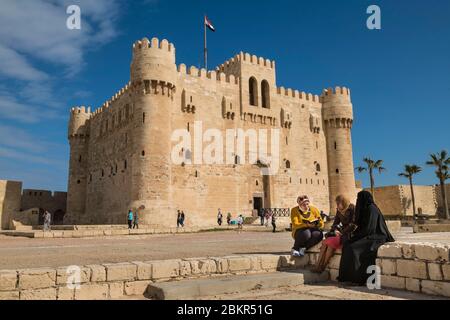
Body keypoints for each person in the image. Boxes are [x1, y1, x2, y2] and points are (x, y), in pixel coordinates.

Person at [338, 190, 395, 285]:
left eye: (359, 198)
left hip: (376, 236)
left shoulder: (372, 209)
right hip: (367, 235)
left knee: (354, 248)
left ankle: (358, 279)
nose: (357, 200)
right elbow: (362, 227)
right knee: (347, 245)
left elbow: (370, 229)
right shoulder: (365, 209)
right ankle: (347, 277)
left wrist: (356, 236)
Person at [313, 195, 357, 273]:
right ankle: (318, 266)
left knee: (330, 244)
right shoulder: (339, 210)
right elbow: (335, 223)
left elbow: (353, 224)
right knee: (325, 244)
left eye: (338, 203)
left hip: (349, 234)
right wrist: (335, 229)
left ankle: (322, 267)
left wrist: (341, 232)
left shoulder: (353, 208)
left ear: (344, 202)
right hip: (339, 233)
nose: (337, 205)